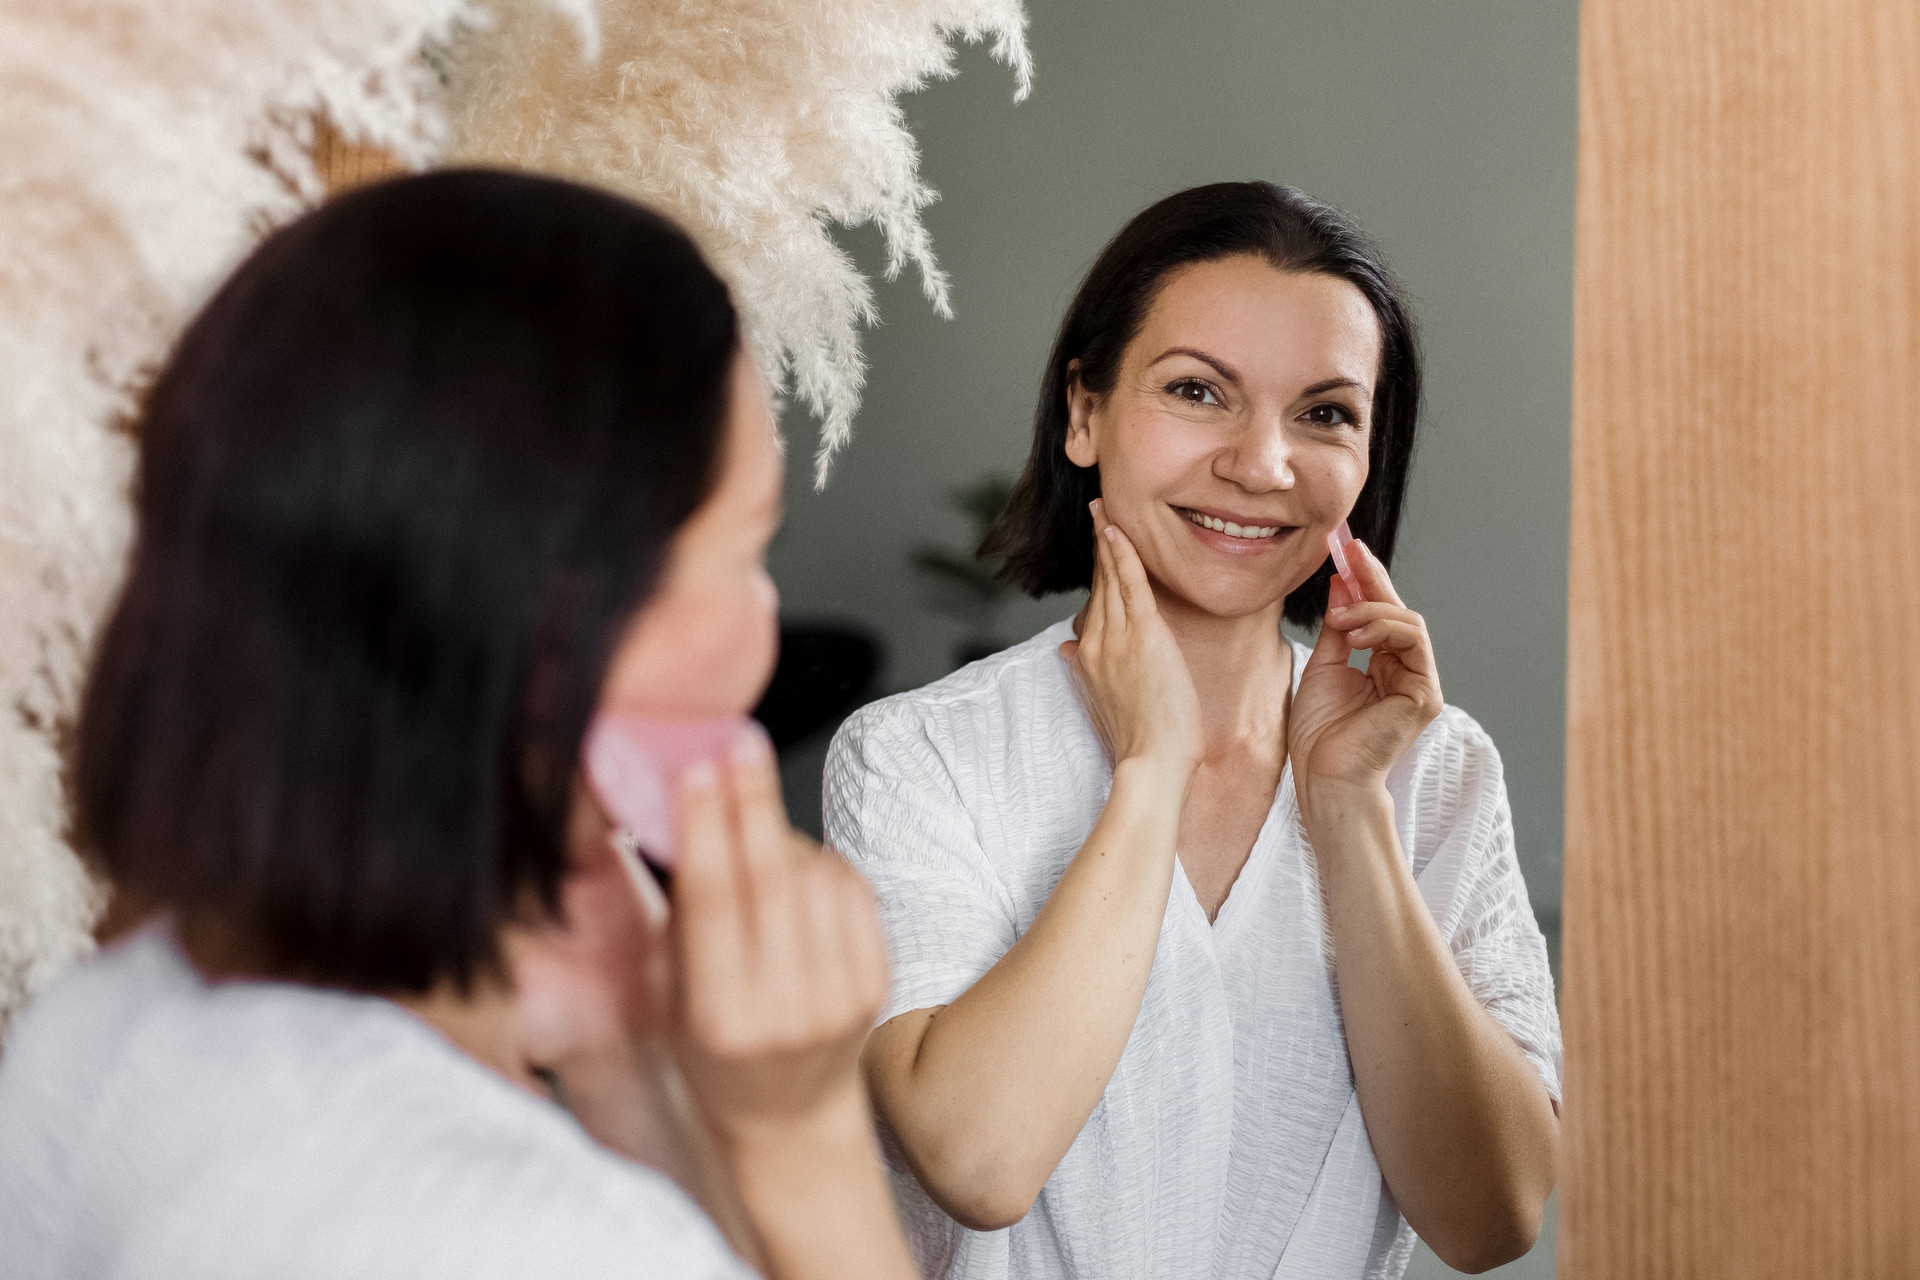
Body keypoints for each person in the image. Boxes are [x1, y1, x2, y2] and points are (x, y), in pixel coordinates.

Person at [0, 170, 917, 1280]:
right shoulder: (529, 1233)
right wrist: (804, 1139)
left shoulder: (93, 1031)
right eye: (747, 551)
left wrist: (625, 1054)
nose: (769, 620)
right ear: (559, 632)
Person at [824, 182, 1562, 1279]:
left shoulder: (1434, 771)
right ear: (1085, 411)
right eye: (1198, 391)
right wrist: (1149, 770)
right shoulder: (921, 756)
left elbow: (1491, 1218)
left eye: (1325, 413)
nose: (1263, 464)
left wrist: (1350, 808)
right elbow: (977, 1160)